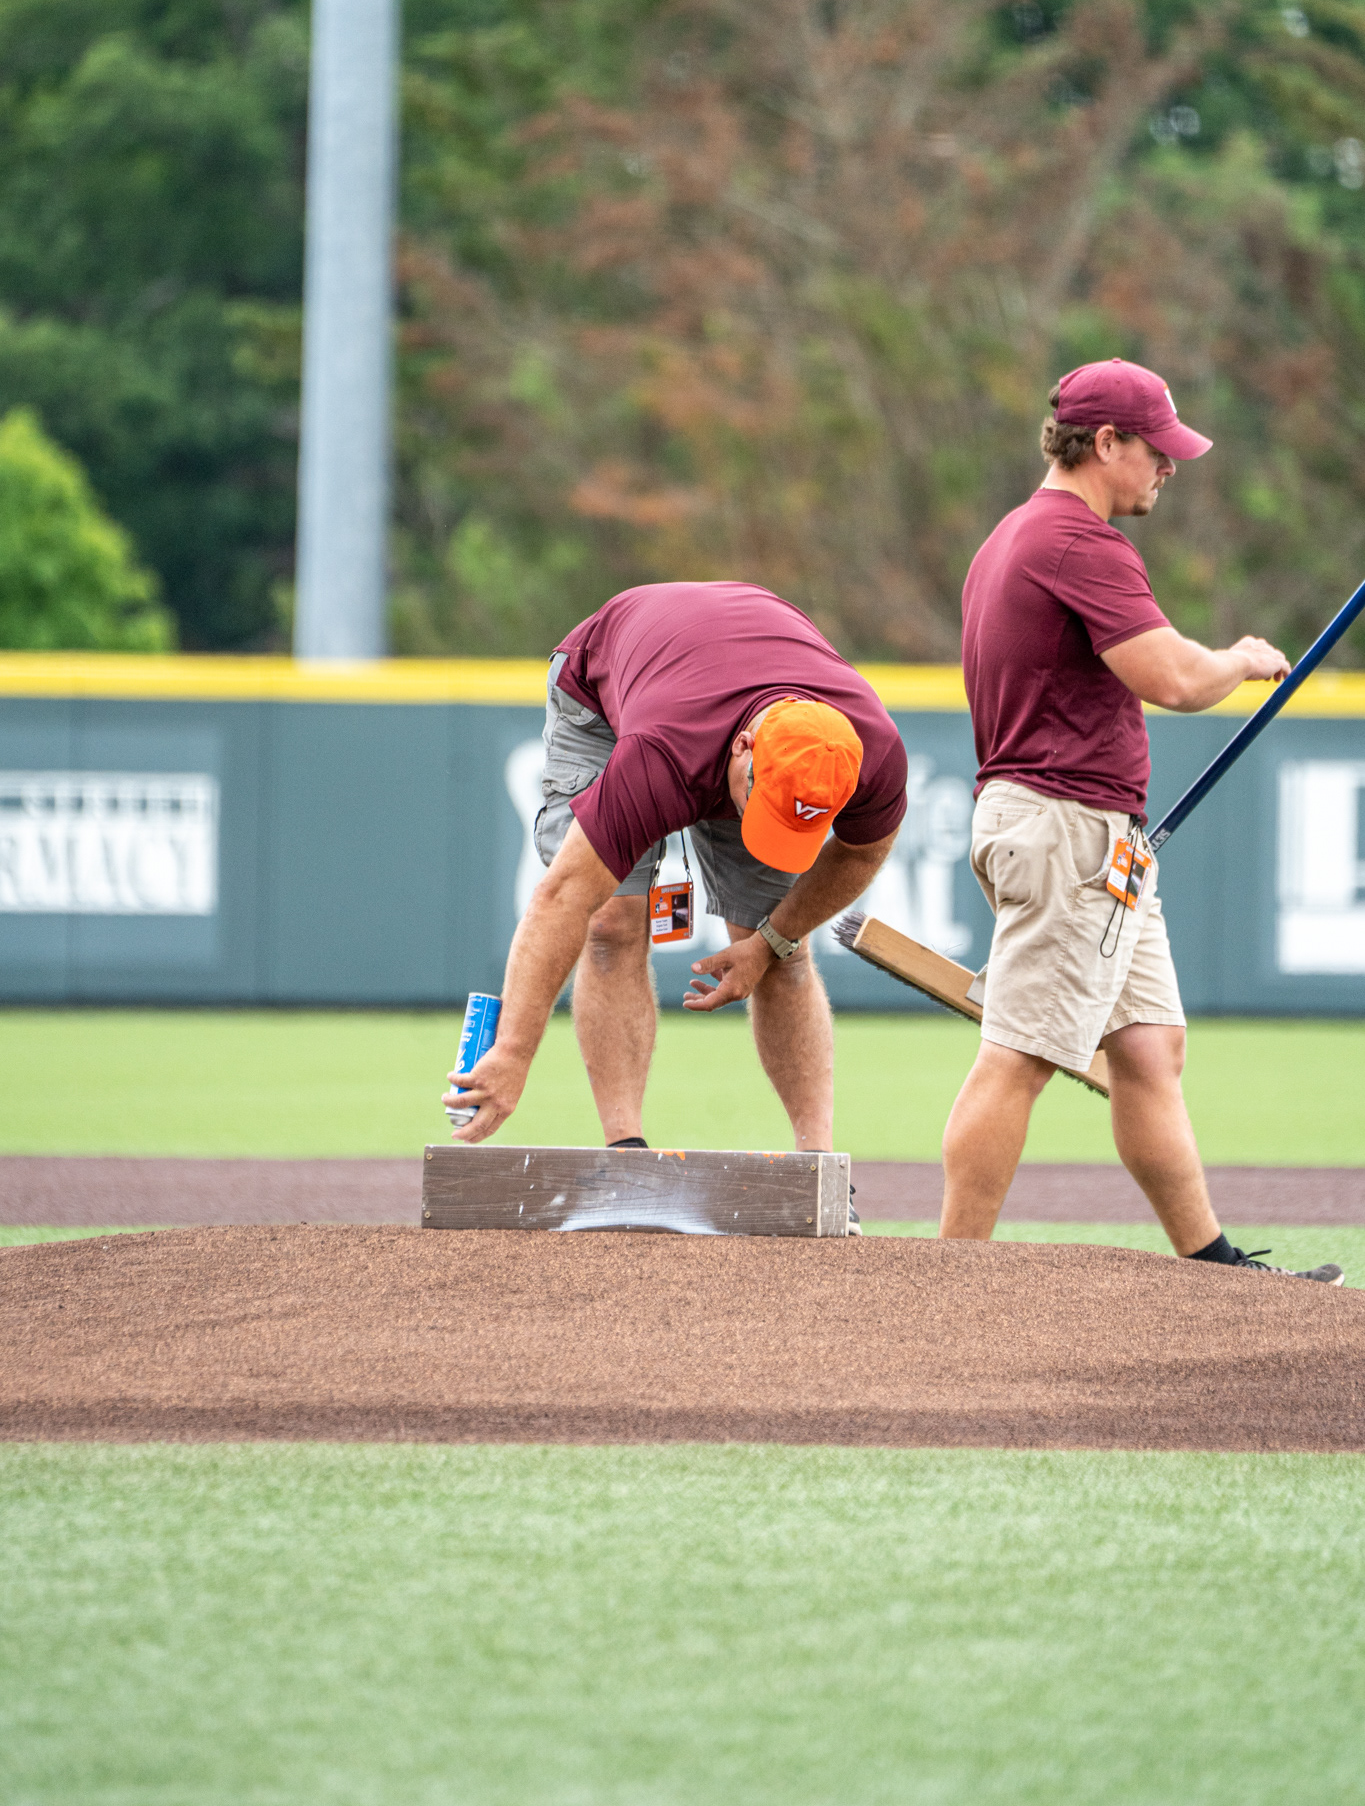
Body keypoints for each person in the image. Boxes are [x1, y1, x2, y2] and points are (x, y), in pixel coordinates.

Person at [943, 357, 1343, 1283]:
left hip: (1085, 835)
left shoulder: (1011, 535)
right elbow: (1169, 679)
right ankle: (947, 1282)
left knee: (1148, 1049)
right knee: (1021, 1056)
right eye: (1157, 449)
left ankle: (1210, 1266)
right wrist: (1239, 657)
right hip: (1064, 830)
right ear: (1106, 442)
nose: (1170, 467)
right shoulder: (1076, 542)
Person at [442, 580, 908, 1167]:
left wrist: (768, 942)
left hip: (722, 666)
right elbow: (562, 897)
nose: (762, 830)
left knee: (787, 952)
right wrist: (512, 1052)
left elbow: (862, 853)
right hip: (606, 686)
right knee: (611, 921)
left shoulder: (871, 753)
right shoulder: (663, 753)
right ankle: (626, 1156)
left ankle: (817, 1169)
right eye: (761, 811)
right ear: (742, 748)